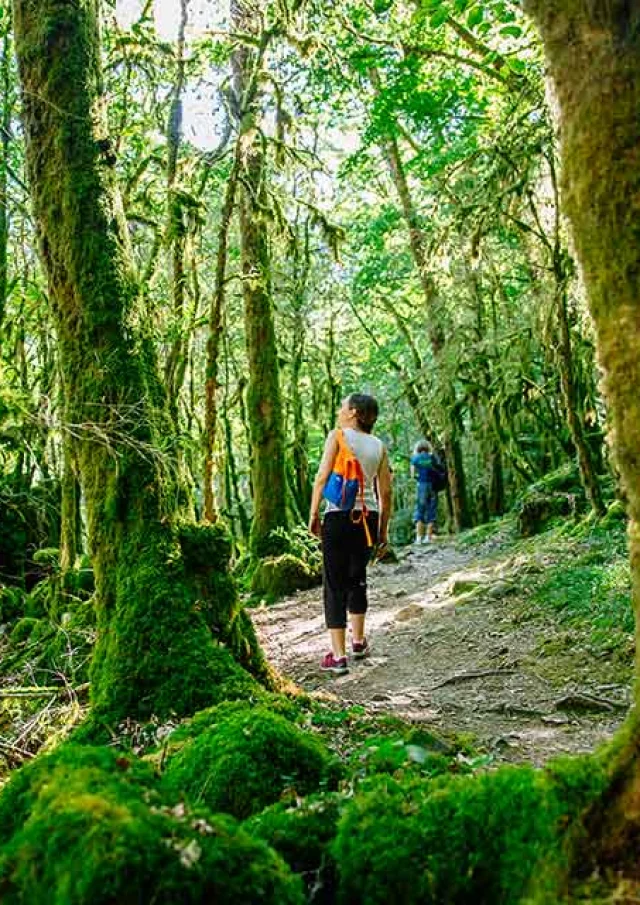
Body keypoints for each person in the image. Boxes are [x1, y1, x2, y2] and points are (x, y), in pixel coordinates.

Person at [308, 393, 392, 675]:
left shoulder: (338, 436)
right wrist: (383, 530)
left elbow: (321, 477)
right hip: (368, 518)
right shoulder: (379, 446)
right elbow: (386, 492)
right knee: (358, 578)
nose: (339, 409)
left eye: (342, 406)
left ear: (353, 412)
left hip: (338, 516)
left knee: (334, 584)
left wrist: (313, 513)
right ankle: (358, 642)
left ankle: (338, 656)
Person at [410, 440, 440, 544]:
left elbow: (413, 475)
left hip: (421, 486)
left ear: (417, 448)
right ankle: (428, 537)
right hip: (433, 486)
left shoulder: (415, 459)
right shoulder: (432, 458)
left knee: (420, 511)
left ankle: (418, 538)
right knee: (431, 510)